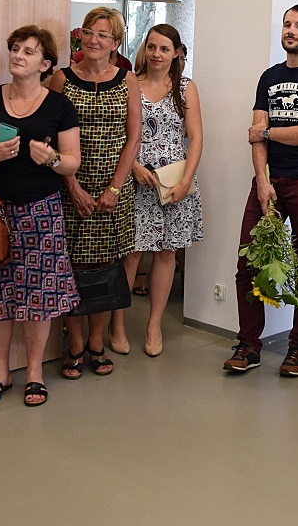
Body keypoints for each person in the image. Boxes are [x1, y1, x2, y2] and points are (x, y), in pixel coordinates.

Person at [0, 26, 80, 408]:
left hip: (41, 210)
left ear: (45, 64)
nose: (18, 55)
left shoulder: (59, 107)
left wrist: (51, 159)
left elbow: (72, 163)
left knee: (39, 294)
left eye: (28, 51)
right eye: (15, 48)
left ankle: (34, 372)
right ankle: (0, 372)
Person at [226, 4, 298, 377]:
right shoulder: (269, 77)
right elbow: (255, 136)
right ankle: (248, 344)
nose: (290, 30)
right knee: (248, 263)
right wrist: (262, 180)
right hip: (269, 180)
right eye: (287, 24)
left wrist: (268, 132)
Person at [50, 7, 141, 374]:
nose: (93, 39)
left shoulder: (127, 80)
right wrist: (72, 186)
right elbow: (50, 135)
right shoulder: (62, 78)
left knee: (105, 266)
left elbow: (134, 137)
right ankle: (74, 343)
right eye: (88, 32)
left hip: (113, 189)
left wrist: (115, 188)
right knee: (71, 265)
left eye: (103, 34)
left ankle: (96, 342)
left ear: (115, 43)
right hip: (70, 184)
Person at [124, 24, 203, 357]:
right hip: (135, 180)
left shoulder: (185, 88)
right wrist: (133, 167)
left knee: (167, 253)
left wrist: (186, 180)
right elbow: (121, 134)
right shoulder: (130, 82)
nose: (157, 54)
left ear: (176, 53)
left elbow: (196, 138)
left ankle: (153, 325)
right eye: (152, 47)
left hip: (173, 183)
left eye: (164, 49)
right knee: (130, 253)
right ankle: (116, 324)